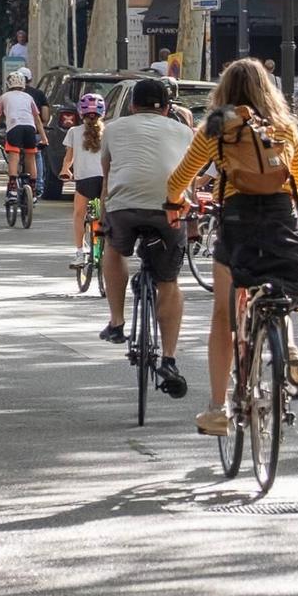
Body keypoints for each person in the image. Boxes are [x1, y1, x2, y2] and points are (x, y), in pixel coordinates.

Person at [166, 59, 298, 436]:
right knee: (279, 290)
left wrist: (175, 202)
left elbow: (181, 177)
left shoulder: (216, 128)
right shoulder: (282, 128)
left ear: (224, 90)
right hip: (281, 218)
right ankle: (291, 351)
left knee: (224, 313)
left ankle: (218, 409)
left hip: (237, 221)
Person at [94, 78, 195, 401]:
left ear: (132, 105)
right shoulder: (184, 131)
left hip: (125, 206)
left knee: (114, 249)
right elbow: (190, 174)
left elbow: (107, 174)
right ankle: (168, 359)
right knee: (169, 282)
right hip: (169, 209)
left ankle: (117, 321)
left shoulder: (113, 128)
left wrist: (103, 213)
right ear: (167, 108)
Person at [62, 92, 107, 267]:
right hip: (105, 181)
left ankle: (80, 253)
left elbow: (68, 158)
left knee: (79, 214)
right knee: (108, 214)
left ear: (81, 112)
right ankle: (109, 248)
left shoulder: (74, 132)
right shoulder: (109, 132)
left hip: (85, 182)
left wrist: (65, 170)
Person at [0, 70, 44, 205]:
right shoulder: (29, 97)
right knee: (30, 156)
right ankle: (33, 190)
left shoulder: (4, 97)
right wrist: (44, 139)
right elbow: (37, 119)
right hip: (30, 129)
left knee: (14, 156)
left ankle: (12, 189)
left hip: (14, 128)